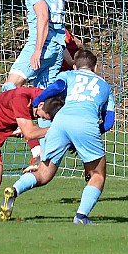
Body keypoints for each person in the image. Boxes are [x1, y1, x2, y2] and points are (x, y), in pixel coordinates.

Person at [0, 49, 116, 225]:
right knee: (98, 174)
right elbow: (108, 122)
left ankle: (14, 190)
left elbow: (57, 87)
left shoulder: (69, 74)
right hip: (86, 124)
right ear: (95, 67)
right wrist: (89, 134)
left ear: (75, 66)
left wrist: (38, 99)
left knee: (44, 173)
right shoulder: (105, 87)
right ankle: (81, 216)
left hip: (60, 122)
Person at [2, 0, 66, 168]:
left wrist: (37, 50)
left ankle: (19, 125)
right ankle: (45, 155)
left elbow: (43, 16)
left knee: (11, 85)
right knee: (44, 101)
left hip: (42, 44)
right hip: (57, 47)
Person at [0, 88, 64, 203]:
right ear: (41, 105)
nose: (42, 119)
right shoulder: (21, 99)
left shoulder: (49, 98)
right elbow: (30, 133)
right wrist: (59, 130)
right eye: (43, 116)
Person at [22, 26, 82, 173]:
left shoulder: (56, 31)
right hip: (48, 81)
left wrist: (77, 64)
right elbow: (78, 44)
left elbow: (74, 47)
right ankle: (40, 153)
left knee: (45, 117)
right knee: (37, 119)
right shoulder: (43, 32)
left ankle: (42, 155)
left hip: (54, 81)